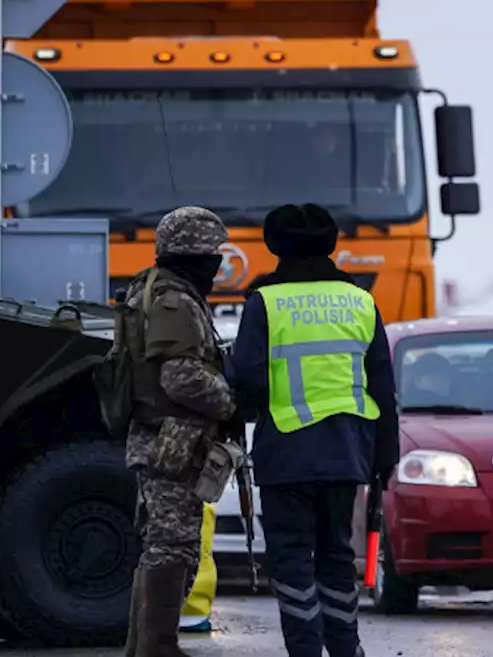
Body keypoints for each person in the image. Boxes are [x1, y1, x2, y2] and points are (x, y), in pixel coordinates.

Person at [228, 203, 400, 657]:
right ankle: (347, 649)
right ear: (331, 244)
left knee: (291, 557)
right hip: (347, 452)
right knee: (336, 554)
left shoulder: (265, 302)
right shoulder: (361, 301)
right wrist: (386, 456)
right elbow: (383, 384)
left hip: (287, 451)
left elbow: (245, 376)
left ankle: (305, 650)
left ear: (274, 246)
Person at [123, 206, 236, 657]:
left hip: (161, 437)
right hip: (171, 440)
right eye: (213, 253)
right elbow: (180, 377)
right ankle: (157, 646)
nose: (219, 263)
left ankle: (144, 647)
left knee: (162, 544)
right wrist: (231, 401)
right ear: (195, 253)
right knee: (172, 547)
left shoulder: (157, 290)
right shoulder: (174, 300)